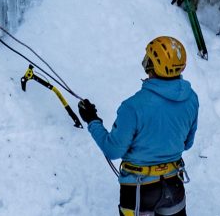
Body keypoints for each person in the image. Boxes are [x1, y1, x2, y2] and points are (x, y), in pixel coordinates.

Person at [78, 37, 200, 216]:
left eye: (148, 58)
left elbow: (113, 150)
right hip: (174, 185)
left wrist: (92, 121)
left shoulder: (133, 107)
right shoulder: (191, 99)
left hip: (139, 191)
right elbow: (187, 144)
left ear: (152, 65)